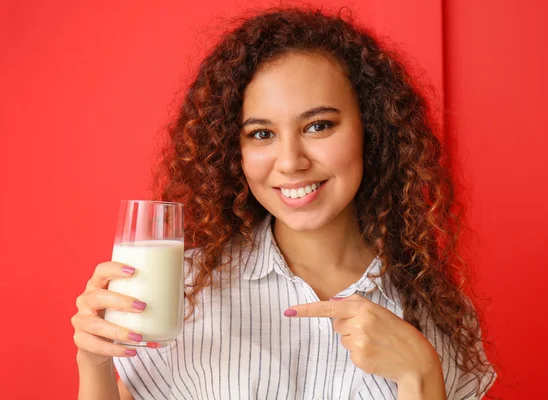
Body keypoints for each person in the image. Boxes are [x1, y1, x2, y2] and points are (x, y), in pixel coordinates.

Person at [71, 7, 497, 400]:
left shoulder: (439, 314)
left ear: (372, 129)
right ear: (232, 149)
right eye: (261, 133)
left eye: (318, 125)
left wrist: (421, 375)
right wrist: (94, 365)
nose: (291, 162)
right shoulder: (181, 289)